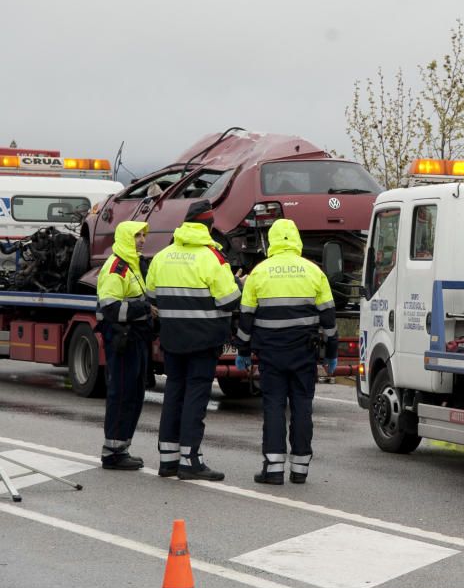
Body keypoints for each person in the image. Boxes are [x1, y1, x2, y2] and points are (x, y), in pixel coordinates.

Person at [234, 218, 338, 485]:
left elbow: (245, 319)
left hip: (270, 354)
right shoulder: (314, 272)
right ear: (296, 240)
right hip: (304, 353)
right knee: (303, 407)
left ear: (271, 240)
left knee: (273, 407)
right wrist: (331, 353)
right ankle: (301, 468)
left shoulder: (259, 272)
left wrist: (243, 350)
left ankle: (274, 468)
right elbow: (329, 320)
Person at [146, 200, 240, 481]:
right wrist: (240, 283)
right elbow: (229, 301)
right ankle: (190, 461)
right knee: (196, 399)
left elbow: (151, 297)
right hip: (203, 341)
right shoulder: (213, 257)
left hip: (172, 338)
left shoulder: (163, 256)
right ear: (209, 226)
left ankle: (168, 459)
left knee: (174, 393)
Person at [97, 221, 153, 470]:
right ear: (125, 237)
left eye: (143, 235)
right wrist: (144, 309)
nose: (142, 239)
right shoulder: (116, 268)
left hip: (135, 339)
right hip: (123, 340)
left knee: (134, 394)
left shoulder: (133, 265)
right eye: (137, 235)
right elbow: (110, 309)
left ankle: (122, 448)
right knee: (122, 395)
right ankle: (112, 453)